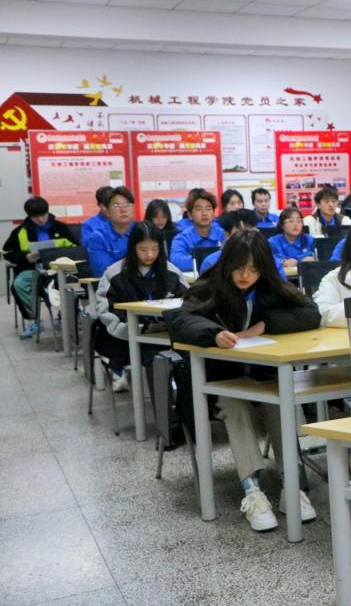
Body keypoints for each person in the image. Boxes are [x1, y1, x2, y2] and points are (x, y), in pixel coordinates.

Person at [166, 230, 321, 532]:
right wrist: (212, 334)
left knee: (280, 402)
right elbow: (180, 320)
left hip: (263, 375)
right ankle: (252, 490)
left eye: (253, 269)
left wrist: (267, 324)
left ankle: (291, 484)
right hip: (217, 378)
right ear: (227, 264)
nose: (245, 275)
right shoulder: (210, 287)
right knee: (233, 403)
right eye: (239, 267)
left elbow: (310, 312)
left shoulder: (271, 288)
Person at [94, 221, 188, 391]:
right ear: (133, 248)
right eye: (143, 249)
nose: (150, 255)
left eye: (155, 249)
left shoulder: (172, 272)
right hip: (125, 338)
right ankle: (165, 408)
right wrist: (137, 330)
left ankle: (187, 405)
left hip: (166, 335)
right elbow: (107, 312)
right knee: (155, 357)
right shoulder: (114, 274)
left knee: (190, 356)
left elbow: (188, 303)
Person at [3, 196, 77, 338]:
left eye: (43, 215)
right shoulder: (20, 232)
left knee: (68, 283)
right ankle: (34, 320)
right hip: (32, 270)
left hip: (60, 269)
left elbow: (76, 247)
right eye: (36, 217)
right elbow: (7, 253)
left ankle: (64, 316)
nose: (41, 219)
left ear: (48, 211)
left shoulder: (61, 227)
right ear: (29, 216)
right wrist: (25, 257)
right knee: (19, 284)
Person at [199, 210, 285, 277]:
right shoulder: (212, 263)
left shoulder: (271, 261)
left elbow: (280, 291)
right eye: (240, 232)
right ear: (227, 235)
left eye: (250, 230)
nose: (246, 236)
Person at [169, 189, 225, 273]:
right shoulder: (182, 238)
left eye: (208, 209)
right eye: (199, 209)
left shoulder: (223, 234)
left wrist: (199, 259)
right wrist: (213, 260)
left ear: (213, 213)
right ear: (190, 214)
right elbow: (177, 261)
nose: (204, 213)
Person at [85, 187, 136, 277]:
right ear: (107, 211)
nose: (123, 210)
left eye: (127, 205)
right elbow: (105, 271)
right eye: (117, 206)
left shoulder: (144, 232)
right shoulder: (97, 238)